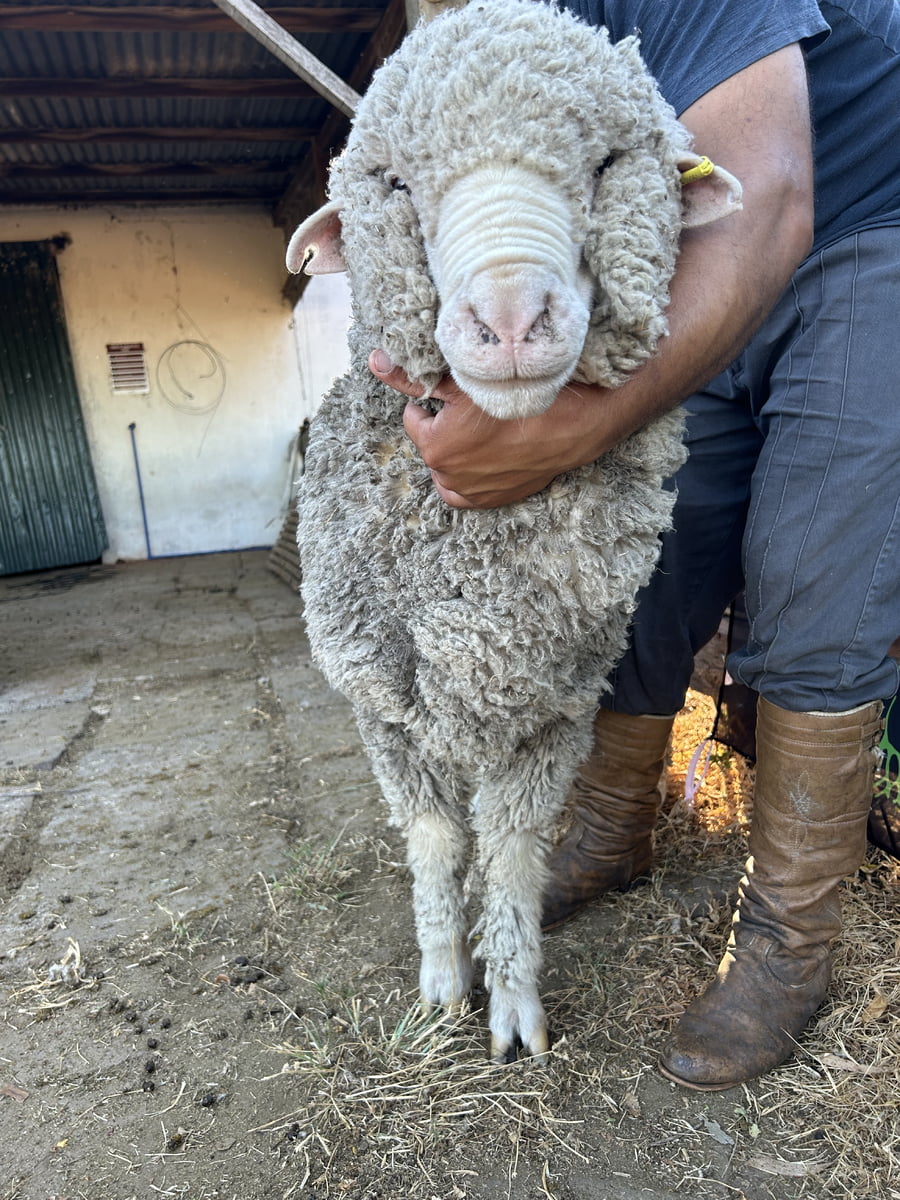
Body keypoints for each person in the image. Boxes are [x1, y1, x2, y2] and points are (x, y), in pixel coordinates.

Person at [367, 0, 900, 1090]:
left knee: (814, 574)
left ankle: (790, 940)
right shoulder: (521, 39)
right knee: (647, 558)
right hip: (699, 253)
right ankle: (614, 829)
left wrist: (577, 425)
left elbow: (773, 194)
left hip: (856, 226)